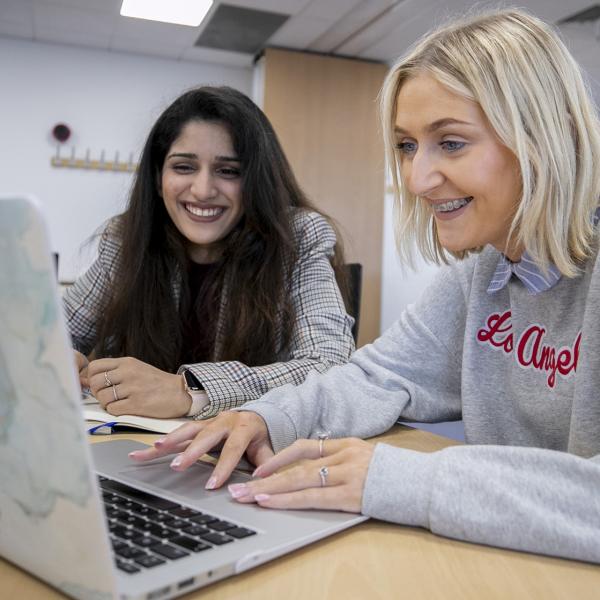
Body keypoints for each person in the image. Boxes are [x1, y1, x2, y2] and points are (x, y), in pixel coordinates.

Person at [130, 9, 600, 563]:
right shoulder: (481, 275)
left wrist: (402, 479)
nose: (417, 179)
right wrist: (268, 417)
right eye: (406, 146)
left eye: (451, 143)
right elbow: (376, 375)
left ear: (546, 137)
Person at [64, 86, 355, 420]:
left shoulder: (300, 237)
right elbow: (54, 328)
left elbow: (331, 368)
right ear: (159, 179)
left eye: (228, 171)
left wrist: (190, 390)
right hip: (133, 449)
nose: (202, 190)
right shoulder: (127, 239)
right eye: (184, 167)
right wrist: (59, 355)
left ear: (256, 181)